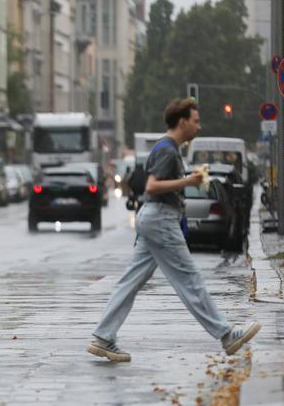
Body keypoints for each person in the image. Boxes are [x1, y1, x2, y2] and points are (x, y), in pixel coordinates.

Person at [87, 99, 260, 362]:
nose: (198, 127)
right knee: (189, 279)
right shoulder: (168, 150)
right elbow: (152, 186)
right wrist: (188, 181)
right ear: (182, 122)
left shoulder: (164, 147)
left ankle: (103, 336)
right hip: (161, 219)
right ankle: (226, 335)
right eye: (195, 121)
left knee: (131, 281)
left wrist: (187, 181)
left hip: (152, 217)